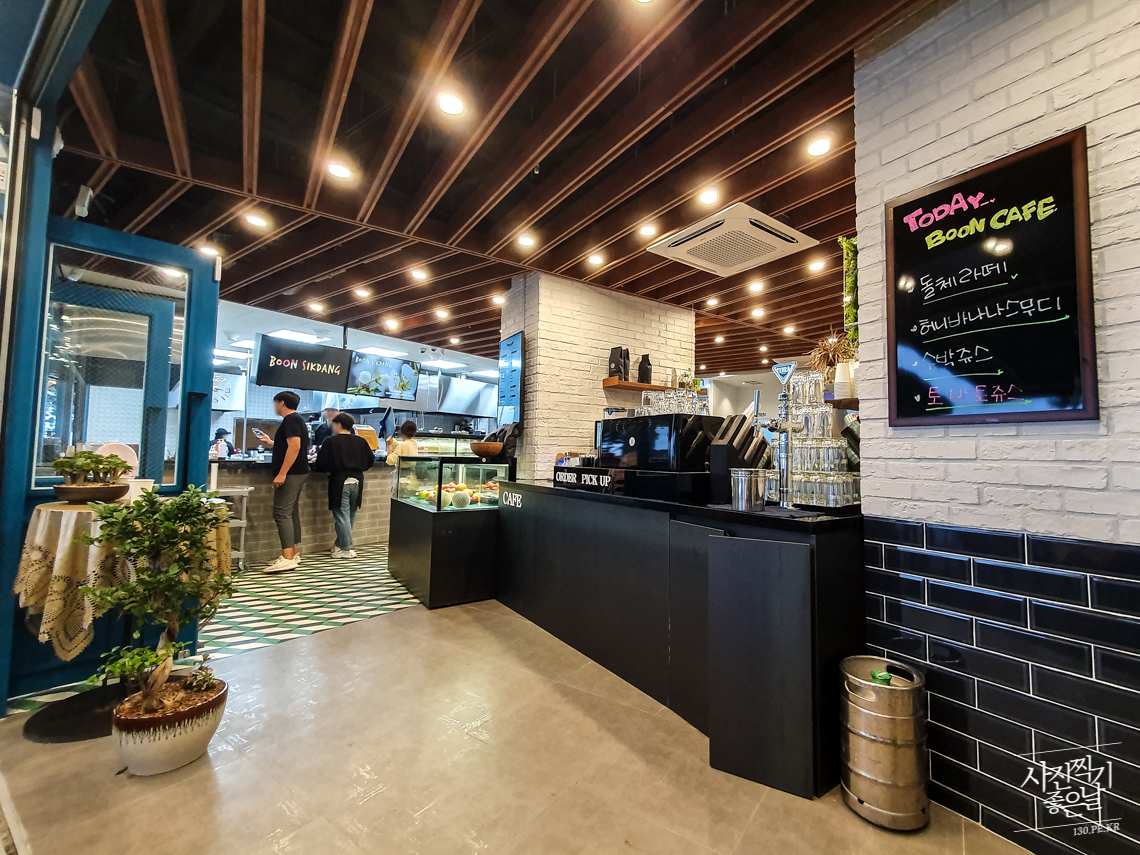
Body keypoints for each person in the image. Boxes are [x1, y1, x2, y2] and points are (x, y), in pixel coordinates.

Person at [260, 390, 310, 574]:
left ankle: (287, 557)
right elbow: (290, 445)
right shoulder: (297, 420)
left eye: (275, 403)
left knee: (281, 513)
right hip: (298, 472)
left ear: (281, 402)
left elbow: (295, 447)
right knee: (290, 513)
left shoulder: (290, 419)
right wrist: (272, 443)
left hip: (291, 473)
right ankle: (293, 553)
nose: (274, 406)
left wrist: (282, 473)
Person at [312, 413, 374, 559]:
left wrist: (316, 464)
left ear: (338, 424)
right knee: (349, 516)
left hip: (340, 482)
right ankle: (340, 546)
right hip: (357, 481)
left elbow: (321, 464)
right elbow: (370, 460)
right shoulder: (361, 440)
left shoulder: (331, 441)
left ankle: (347, 548)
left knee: (341, 517)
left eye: (333, 424)